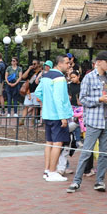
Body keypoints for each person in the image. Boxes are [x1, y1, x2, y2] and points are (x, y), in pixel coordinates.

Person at [66, 51, 107, 193]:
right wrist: (98, 100)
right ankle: (76, 181)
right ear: (99, 62)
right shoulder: (88, 78)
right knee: (86, 151)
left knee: (104, 153)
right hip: (94, 120)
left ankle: (100, 181)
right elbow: (82, 99)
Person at [33, 54, 72, 182]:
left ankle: (47, 170)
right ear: (59, 63)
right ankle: (53, 171)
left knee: (49, 142)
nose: (69, 65)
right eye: (67, 63)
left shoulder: (45, 75)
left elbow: (38, 93)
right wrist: (63, 117)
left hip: (47, 114)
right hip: (57, 115)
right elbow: (59, 98)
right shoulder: (60, 78)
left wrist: (47, 102)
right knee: (57, 143)